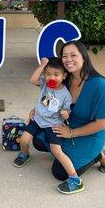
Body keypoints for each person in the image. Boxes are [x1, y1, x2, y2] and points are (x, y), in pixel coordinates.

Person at [32, 40, 105, 194]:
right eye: (64, 56)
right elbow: (48, 96)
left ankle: (98, 155)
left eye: (73, 55)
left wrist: (71, 133)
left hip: (88, 135)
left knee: (59, 172)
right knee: (36, 139)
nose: (68, 59)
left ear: (84, 57)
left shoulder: (99, 85)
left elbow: (102, 123)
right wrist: (37, 109)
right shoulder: (65, 78)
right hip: (66, 127)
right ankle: (67, 154)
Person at [14, 57, 85, 194]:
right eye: (48, 74)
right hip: (38, 120)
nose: (51, 77)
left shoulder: (65, 94)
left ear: (64, 76)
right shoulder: (44, 85)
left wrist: (65, 113)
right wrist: (43, 65)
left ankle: (75, 179)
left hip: (53, 125)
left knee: (57, 150)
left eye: (56, 75)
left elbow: (67, 110)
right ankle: (25, 154)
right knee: (24, 140)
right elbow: (32, 79)